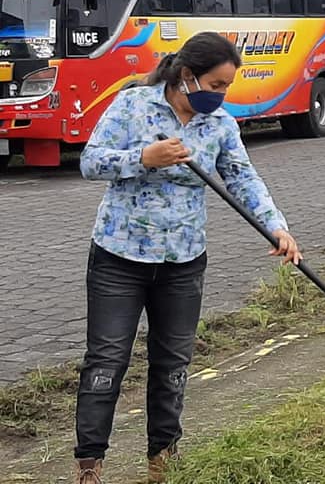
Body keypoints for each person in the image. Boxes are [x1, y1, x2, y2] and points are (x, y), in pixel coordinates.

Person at [73, 32, 301, 484]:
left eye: (227, 87)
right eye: (215, 85)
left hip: (183, 260)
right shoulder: (133, 105)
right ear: (186, 75)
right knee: (107, 361)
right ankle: (89, 464)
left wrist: (276, 227)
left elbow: (243, 180)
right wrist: (145, 157)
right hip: (119, 257)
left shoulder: (220, 126)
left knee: (173, 362)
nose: (221, 95)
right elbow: (91, 162)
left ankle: (163, 459)